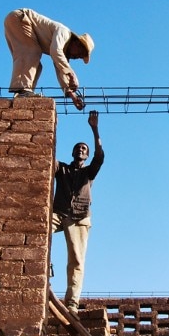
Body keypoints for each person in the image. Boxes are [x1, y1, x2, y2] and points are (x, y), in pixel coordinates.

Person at [51, 110, 104, 313]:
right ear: (73, 153)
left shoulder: (88, 173)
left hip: (80, 218)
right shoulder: (61, 169)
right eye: (78, 148)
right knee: (38, 230)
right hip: (59, 213)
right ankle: (42, 269)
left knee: (77, 259)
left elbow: (100, 157)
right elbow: (47, 157)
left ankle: (72, 302)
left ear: (86, 155)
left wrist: (94, 128)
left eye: (84, 148)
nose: (81, 150)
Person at [4, 8, 94, 110]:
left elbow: (61, 70)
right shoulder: (64, 33)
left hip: (16, 20)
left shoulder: (63, 53)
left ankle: (24, 95)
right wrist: (71, 74)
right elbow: (55, 51)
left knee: (36, 65)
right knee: (32, 52)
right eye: (79, 54)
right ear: (77, 43)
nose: (76, 58)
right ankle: (23, 91)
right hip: (20, 18)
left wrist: (72, 95)